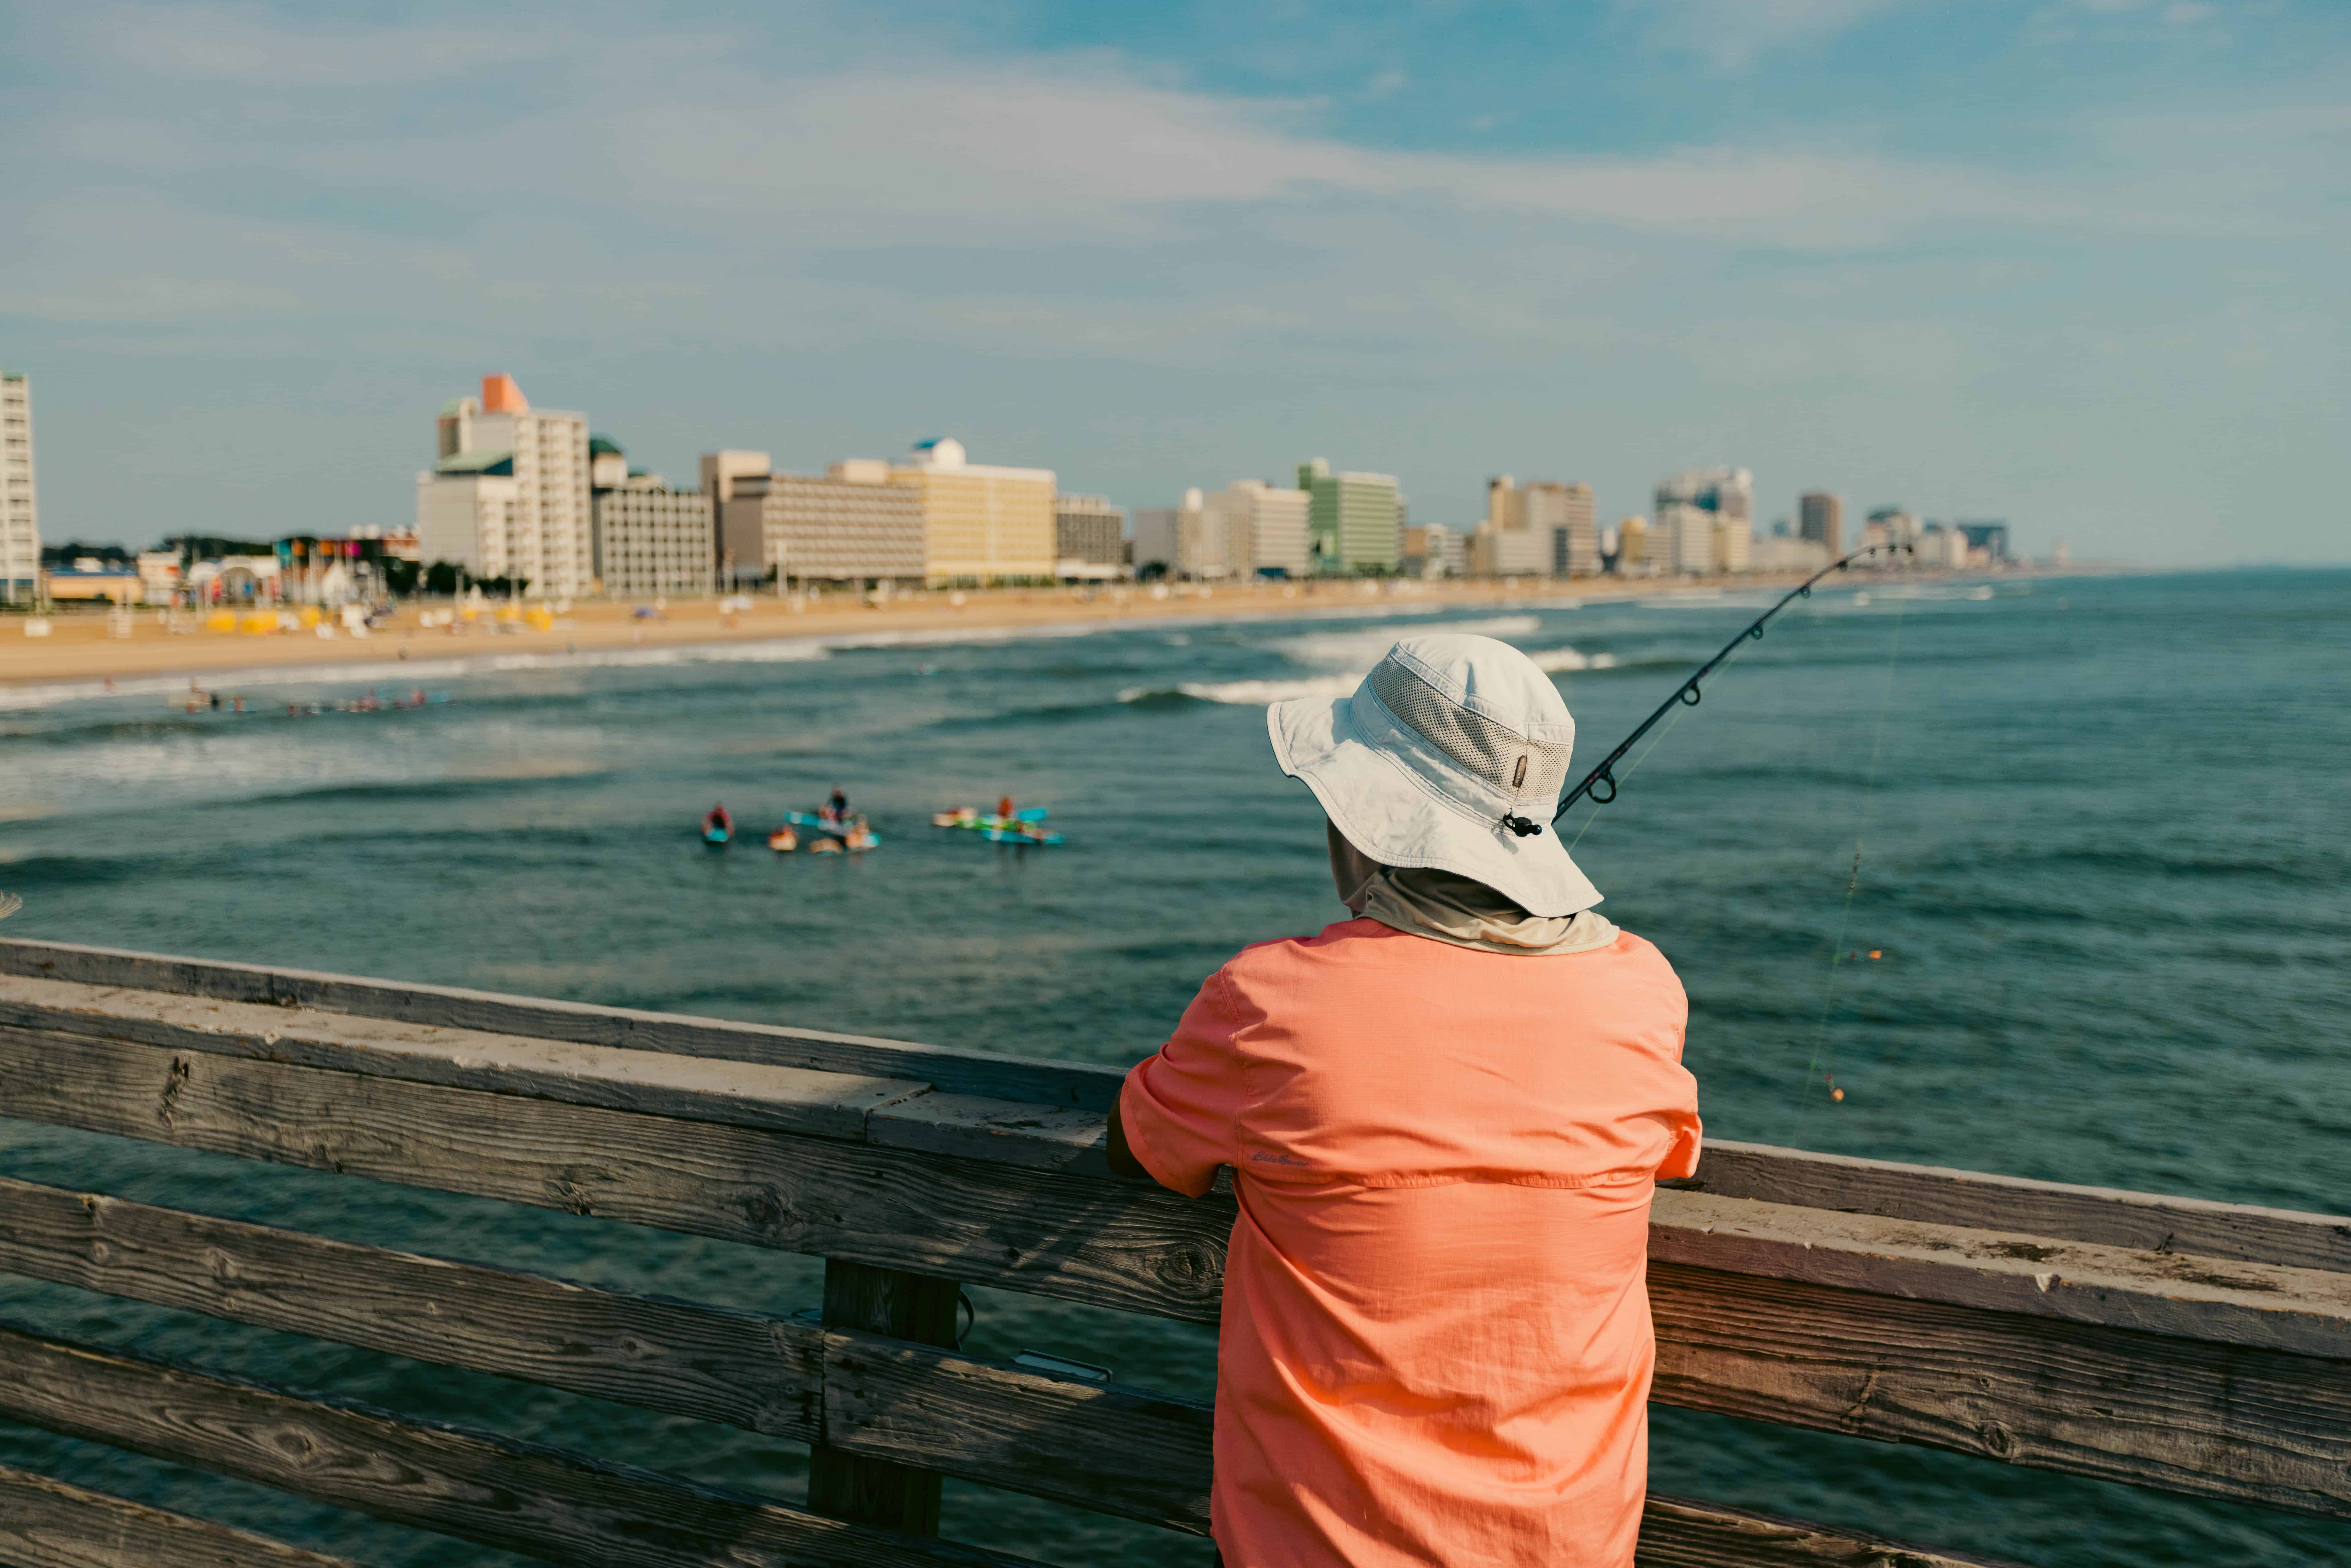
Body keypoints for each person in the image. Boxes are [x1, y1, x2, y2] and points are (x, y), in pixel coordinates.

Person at [1108, 633, 1701, 1568]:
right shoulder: (1644, 992)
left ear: (1362, 815)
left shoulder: (1267, 1001)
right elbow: (1669, 1154)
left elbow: (1138, 1144)